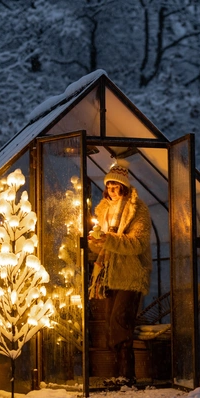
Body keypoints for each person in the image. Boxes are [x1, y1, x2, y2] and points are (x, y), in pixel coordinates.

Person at [87, 159, 152, 386]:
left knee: (121, 322)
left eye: (116, 186)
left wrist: (109, 240)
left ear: (124, 186)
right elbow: (102, 247)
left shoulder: (137, 209)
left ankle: (126, 375)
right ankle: (118, 374)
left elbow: (137, 244)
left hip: (130, 275)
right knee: (110, 325)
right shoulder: (103, 210)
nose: (112, 190)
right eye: (109, 186)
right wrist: (96, 242)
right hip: (108, 275)